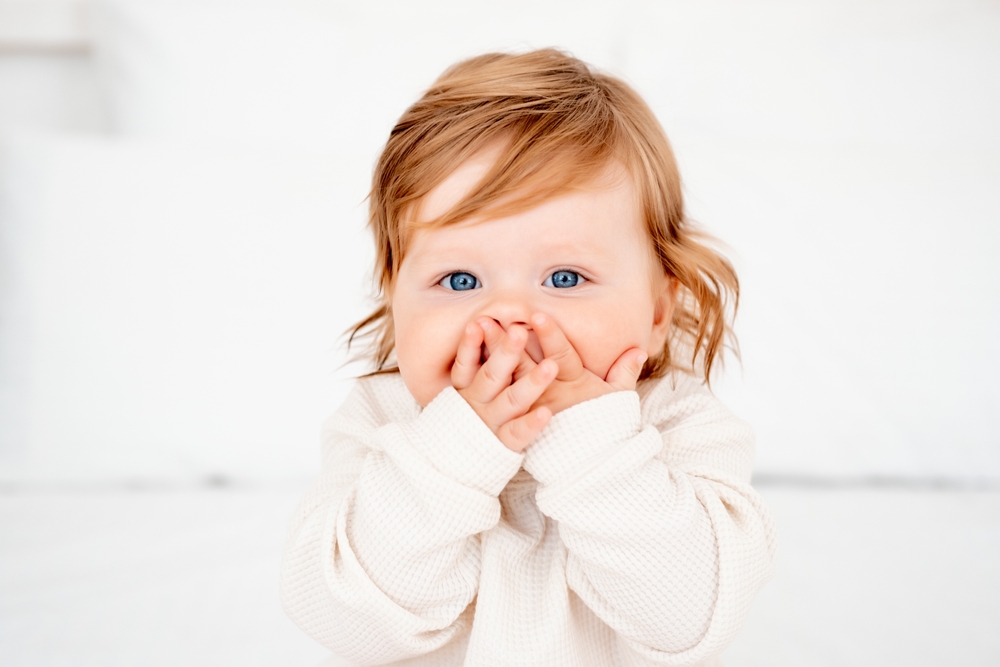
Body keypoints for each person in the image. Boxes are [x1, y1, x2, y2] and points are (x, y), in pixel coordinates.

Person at [280, 49, 776, 667]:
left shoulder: (680, 426)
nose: (509, 318)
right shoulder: (381, 422)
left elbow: (687, 618)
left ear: (656, 313)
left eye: (565, 278)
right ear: (394, 295)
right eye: (460, 281)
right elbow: (344, 622)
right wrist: (453, 451)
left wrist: (593, 446)